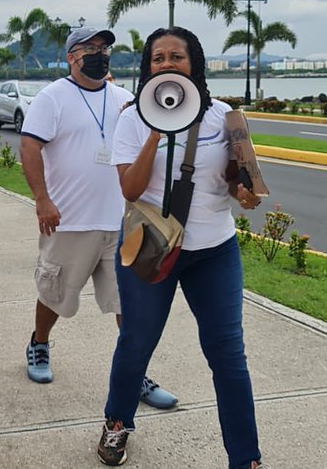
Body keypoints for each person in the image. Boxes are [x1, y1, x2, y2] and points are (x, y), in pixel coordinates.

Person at [96, 26, 264, 468]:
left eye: (177, 57)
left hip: (214, 252)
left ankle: (245, 458)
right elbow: (130, 190)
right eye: (158, 58)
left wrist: (244, 192)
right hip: (150, 247)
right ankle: (117, 424)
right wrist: (156, 128)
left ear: (195, 64)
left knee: (228, 354)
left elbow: (236, 182)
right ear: (148, 67)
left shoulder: (223, 117)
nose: (167, 65)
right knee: (137, 342)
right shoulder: (133, 118)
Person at [19, 27, 177, 408]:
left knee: (129, 305)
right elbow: (29, 146)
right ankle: (38, 344)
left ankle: (135, 374)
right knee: (53, 295)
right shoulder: (52, 98)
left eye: (104, 48)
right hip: (69, 221)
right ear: (72, 57)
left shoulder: (125, 100)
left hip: (120, 224)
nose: (99, 54)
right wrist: (42, 199)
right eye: (90, 48)